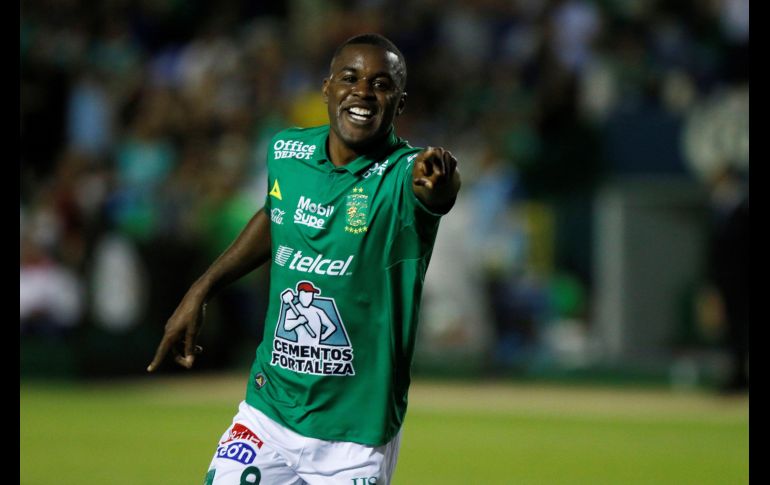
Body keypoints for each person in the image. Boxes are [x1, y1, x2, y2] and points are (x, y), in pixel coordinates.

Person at [147, 33, 461, 484]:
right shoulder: (287, 152)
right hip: (269, 415)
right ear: (327, 88)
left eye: (381, 84)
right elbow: (276, 215)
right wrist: (202, 289)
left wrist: (441, 180)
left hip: (355, 435)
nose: (363, 92)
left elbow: (435, 192)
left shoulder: (402, 175)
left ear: (400, 102)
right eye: (350, 78)